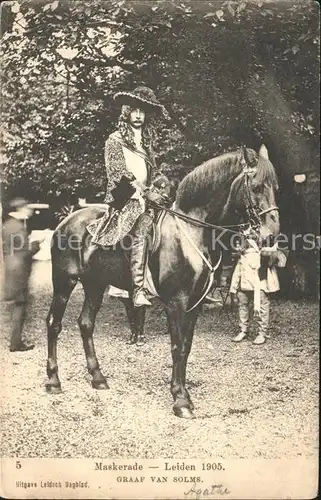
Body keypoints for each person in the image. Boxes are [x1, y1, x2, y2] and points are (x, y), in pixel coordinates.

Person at [87, 86, 170, 307]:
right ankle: (139, 288)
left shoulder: (147, 141)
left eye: (142, 111)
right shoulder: (114, 140)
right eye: (134, 110)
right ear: (126, 112)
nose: (138, 115)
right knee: (142, 227)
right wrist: (144, 192)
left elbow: (155, 171)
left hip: (149, 198)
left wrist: (161, 187)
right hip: (125, 200)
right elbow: (117, 174)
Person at [229, 231, 287, 345]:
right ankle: (243, 330)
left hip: (259, 284)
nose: (247, 242)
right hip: (244, 284)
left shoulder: (263, 253)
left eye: (250, 239)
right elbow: (237, 272)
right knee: (243, 307)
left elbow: (276, 256)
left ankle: (262, 333)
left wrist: (273, 249)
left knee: (262, 308)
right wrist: (234, 288)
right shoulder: (242, 256)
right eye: (246, 240)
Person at [1, 198, 41, 351]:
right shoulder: (18, 228)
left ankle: (15, 341)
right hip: (19, 271)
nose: (29, 211)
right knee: (20, 306)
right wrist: (37, 244)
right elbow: (25, 252)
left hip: (11, 269)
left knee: (19, 305)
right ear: (19, 209)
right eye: (26, 208)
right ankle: (16, 343)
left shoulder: (7, 225)